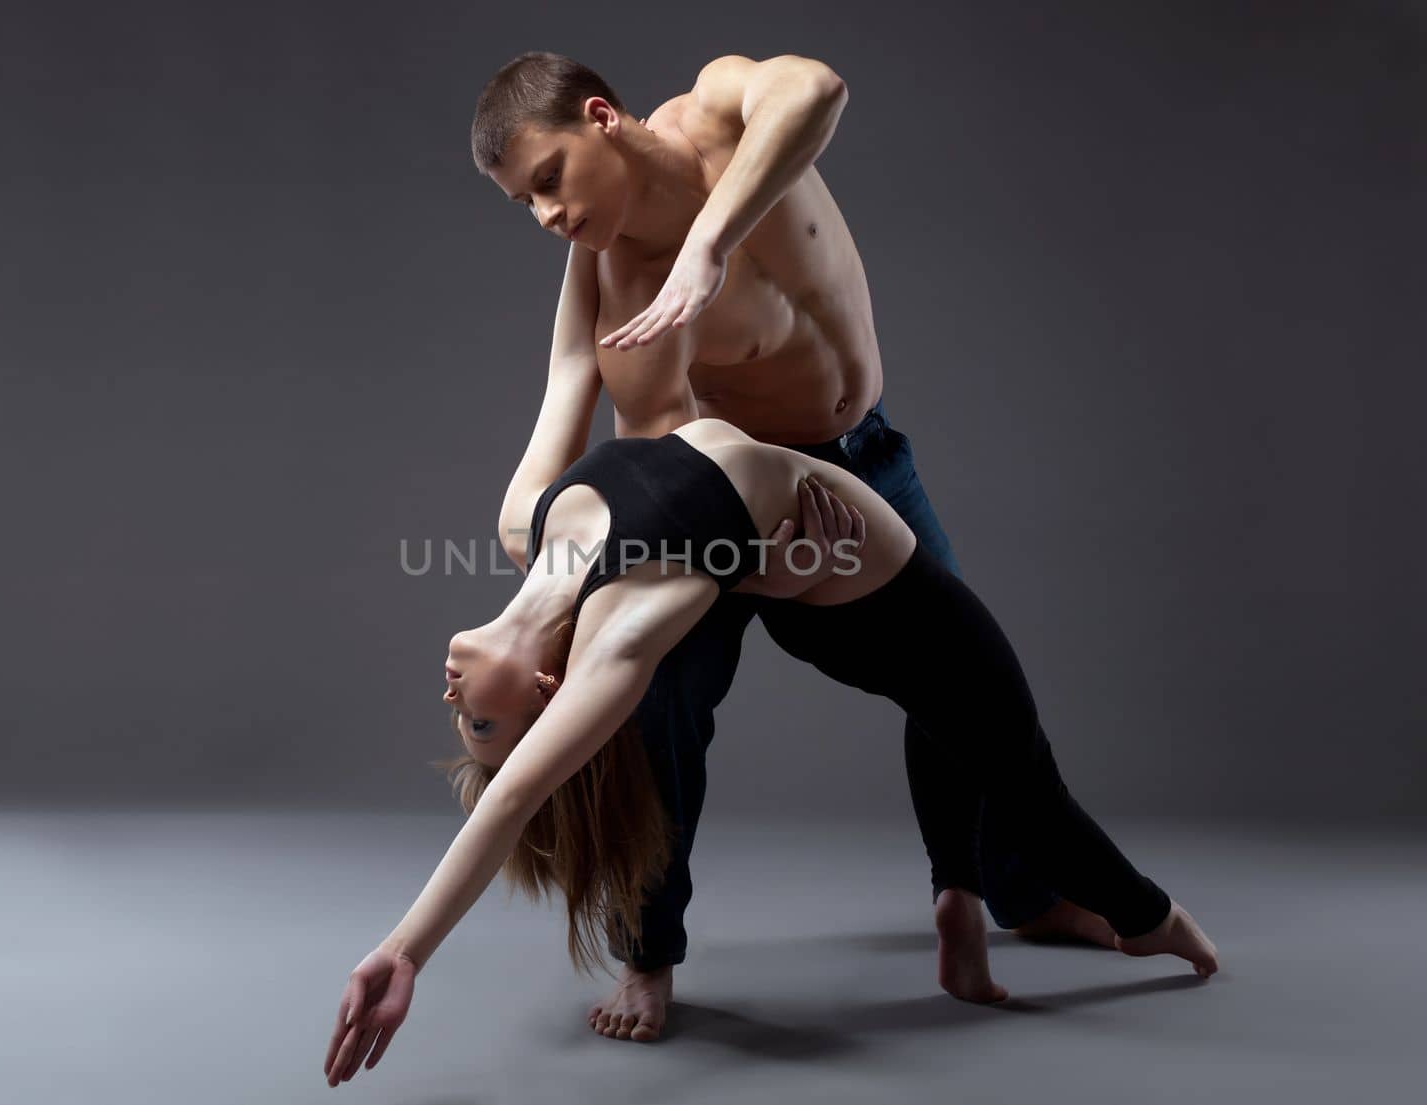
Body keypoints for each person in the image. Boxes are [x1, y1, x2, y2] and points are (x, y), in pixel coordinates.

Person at [468, 51, 1105, 1041]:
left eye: (547, 178)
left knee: (959, 674)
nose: (546, 215)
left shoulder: (721, 112)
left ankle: (989, 892)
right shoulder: (621, 291)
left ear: (602, 118)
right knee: (660, 705)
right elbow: (664, 456)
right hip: (742, 496)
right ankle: (648, 955)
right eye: (524, 204)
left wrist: (710, 246)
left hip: (865, 453)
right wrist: (561, 580)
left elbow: (816, 92)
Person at [321, 418, 1218, 1084]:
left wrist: (767, 572)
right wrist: (405, 950)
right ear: (551, 703)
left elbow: (570, 370)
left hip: (820, 574)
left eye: (467, 725)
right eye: (478, 724)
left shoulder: (533, 522)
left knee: (963, 739)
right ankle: (1157, 926)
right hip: (888, 613)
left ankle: (961, 903)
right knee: (1031, 791)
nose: (451, 700)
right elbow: (514, 800)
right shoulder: (620, 634)